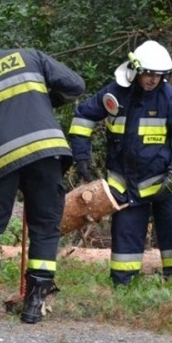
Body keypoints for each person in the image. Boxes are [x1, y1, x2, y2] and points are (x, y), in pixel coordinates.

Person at [0, 34, 85, 323]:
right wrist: (43, 102)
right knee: (46, 227)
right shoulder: (30, 56)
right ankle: (35, 304)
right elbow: (76, 85)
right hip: (46, 150)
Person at [69, 40, 172, 286]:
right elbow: (83, 117)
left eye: (158, 75)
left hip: (163, 184)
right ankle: (123, 289)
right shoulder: (115, 93)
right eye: (148, 73)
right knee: (125, 244)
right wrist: (81, 156)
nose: (152, 80)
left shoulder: (168, 98)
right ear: (136, 70)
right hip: (124, 186)